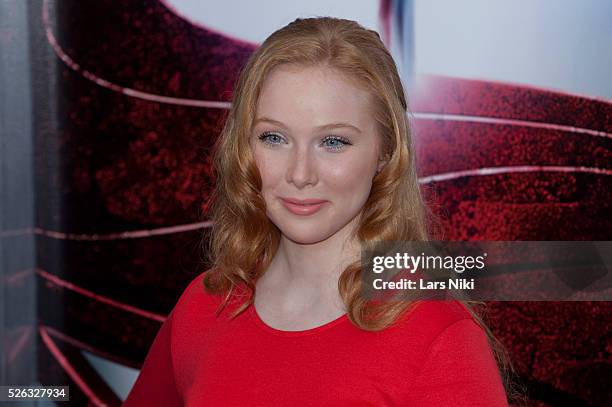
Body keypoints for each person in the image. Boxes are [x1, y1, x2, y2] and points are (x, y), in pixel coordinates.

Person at [124, 16, 513, 406]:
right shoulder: (205, 305)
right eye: (274, 137)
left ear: (386, 154)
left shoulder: (439, 336)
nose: (300, 174)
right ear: (243, 145)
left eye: (333, 141)